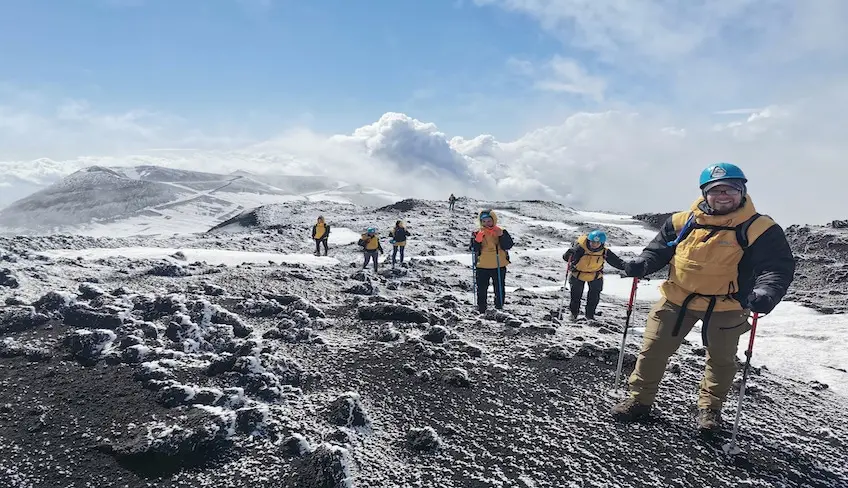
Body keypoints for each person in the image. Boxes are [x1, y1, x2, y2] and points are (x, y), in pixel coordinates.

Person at [612, 162, 795, 431]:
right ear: (705, 193)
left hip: (727, 305)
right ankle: (639, 400)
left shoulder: (760, 228)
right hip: (676, 298)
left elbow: (776, 267)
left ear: (742, 191)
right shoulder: (681, 221)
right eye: (716, 190)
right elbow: (659, 251)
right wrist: (643, 264)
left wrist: (767, 293)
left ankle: (710, 410)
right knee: (652, 350)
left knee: (721, 361)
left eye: (731, 189)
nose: (724, 195)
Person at [561, 229, 626, 321]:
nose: (594, 244)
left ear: (602, 243)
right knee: (575, 296)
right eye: (592, 242)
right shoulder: (580, 248)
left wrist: (628, 267)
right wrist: (568, 254)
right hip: (577, 274)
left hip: (596, 275)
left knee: (594, 298)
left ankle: (590, 316)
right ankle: (573, 314)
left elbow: (617, 262)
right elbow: (567, 258)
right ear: (589, 240)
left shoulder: (605, 252)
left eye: (597, 242)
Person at [469, 209, 514, 313]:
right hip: (482, 265)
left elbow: (508, 245)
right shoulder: (476, 233)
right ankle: (482, 308)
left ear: (494, 220)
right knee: (481, 288)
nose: (486, 224)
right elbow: (473, 249)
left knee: (499, 287)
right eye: (483, 221)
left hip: (498, 265)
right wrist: (477, 240)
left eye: (489, 221)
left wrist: (501, 235)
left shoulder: (501, 231)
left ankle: (499, 307)